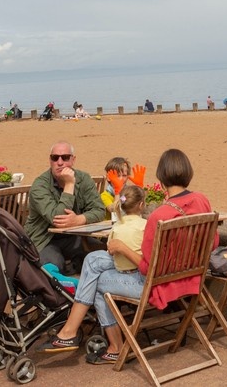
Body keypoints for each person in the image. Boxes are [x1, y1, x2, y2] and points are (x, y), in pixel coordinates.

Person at [43, 149, 217, 364]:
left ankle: (109, 345)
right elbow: (213, 242)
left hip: (158, 285)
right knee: (94, 259)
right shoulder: (201, 201)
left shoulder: (160, 216)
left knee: (95, 282)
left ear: (161, 177)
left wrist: (124, 249)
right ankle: (72, 331)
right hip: (188, 276)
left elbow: (147, 267)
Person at [25, 141, 107, 273]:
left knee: (103, 253)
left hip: (74, 237)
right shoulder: (40, 185)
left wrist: (79, 219)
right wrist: (69, 184)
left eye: (65, 157)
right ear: (50, 160)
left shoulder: (83, 178)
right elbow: (58, 219)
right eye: (55, 157)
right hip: (44, 240)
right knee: (55, 263)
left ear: (73, 160)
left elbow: (99, 210)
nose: (60, 162)